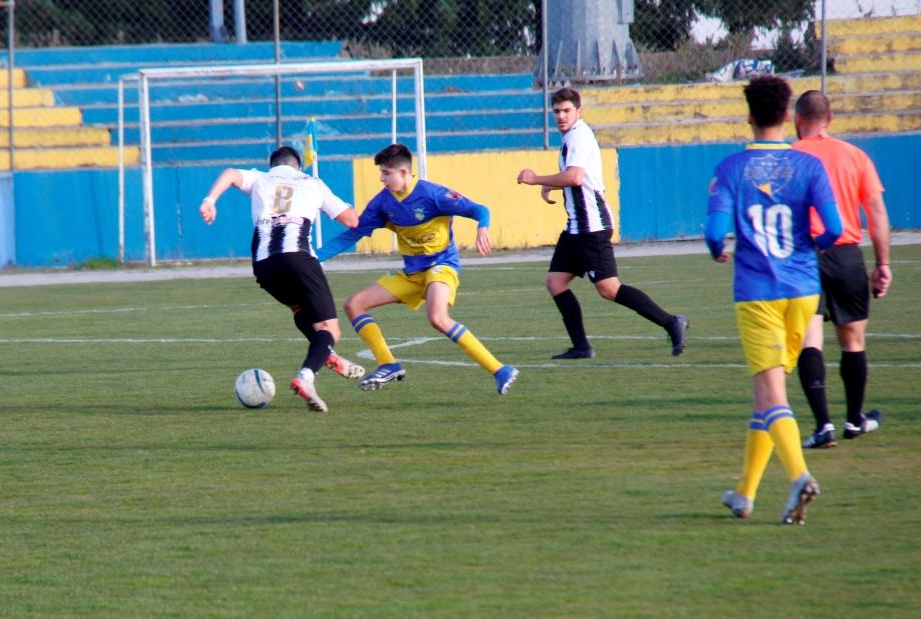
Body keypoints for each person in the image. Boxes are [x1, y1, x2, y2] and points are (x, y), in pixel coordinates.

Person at [705, 76, 843, 525]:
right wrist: (811, 243)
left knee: (771, 393)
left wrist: (718, 249)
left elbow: (712, 233)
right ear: (788, 116)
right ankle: (744, 494)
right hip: (804, 291)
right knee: (764, 397)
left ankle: (800, 476)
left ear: (749, 115)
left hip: (758, 293)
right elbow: (835, 228)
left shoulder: (730, 169)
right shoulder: (809, 167)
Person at [316, 143, 519, 395]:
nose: (382, 178)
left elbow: (479, 209)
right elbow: (352, 235)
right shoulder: (382, 203)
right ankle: (388, 364)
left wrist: (483, 227)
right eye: (381, 173)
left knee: (437, 318)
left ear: (404, 173)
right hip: (413, 274)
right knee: (354, 304)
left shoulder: (432, 194)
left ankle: (500, 369)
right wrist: (314, 257)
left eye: (386, 173)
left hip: (441, 266)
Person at [516, 87, 688, 359]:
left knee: (609, 289)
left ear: (579, 111)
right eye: (557, 111)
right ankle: (581, 347)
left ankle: (671, 322)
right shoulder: (573, 137)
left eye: (567, 110)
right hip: (576, 227)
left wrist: (537, 179)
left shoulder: (578, 137)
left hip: (591, 227)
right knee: (555, 282)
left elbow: (573, 177)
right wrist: (551, 185)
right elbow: (578, 179)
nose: (561, 116)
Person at [199, 146, 364, 413]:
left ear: (273, 165)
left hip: (263, 264)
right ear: (298, 166)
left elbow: (230, 173)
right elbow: (352, 220)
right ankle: (306, 377)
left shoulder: (260, 179)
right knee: (329, 330)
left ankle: (329, 356)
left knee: (299, 308)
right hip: (297, 257)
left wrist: (210, 200)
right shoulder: (312, 183)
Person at [792, 90, 893, 449]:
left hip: (804, 254)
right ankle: (854, 419)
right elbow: (877, 213)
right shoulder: (855, 156)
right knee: (852, 341)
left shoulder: (790, 156)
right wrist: (882, 264)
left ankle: (823, 426)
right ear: (830, 119)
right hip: (847, 253)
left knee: (809, 338)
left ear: (797, 119)